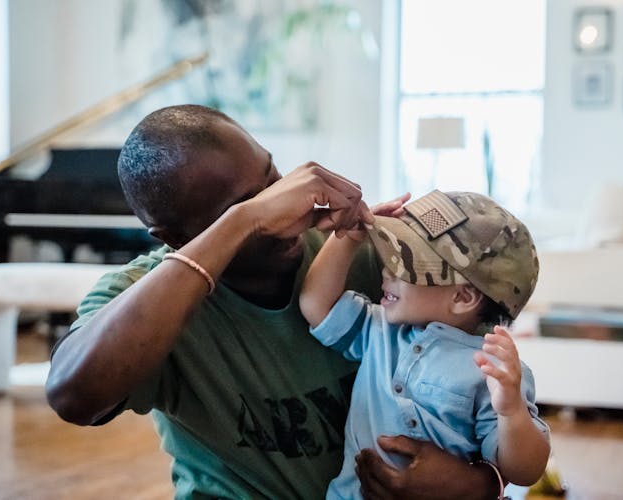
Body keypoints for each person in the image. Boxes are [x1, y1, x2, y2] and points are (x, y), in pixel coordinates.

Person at [45, 104, 505, 499]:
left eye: (273, 179)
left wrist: (481, 484)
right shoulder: (144, 299)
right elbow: (73, 397)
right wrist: (245, 221)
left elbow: (497, 399)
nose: (282, 211)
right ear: (174, 238)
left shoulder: (364, 260)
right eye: (240, 207)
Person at [299, 189, 552, 499]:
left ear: (462, 297)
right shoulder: (378, 329)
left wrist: (511, 411)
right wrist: (347, 238)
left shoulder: (493, 370)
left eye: (404, 264)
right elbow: (315, 305)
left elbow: (524, 471)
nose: (386, 270)